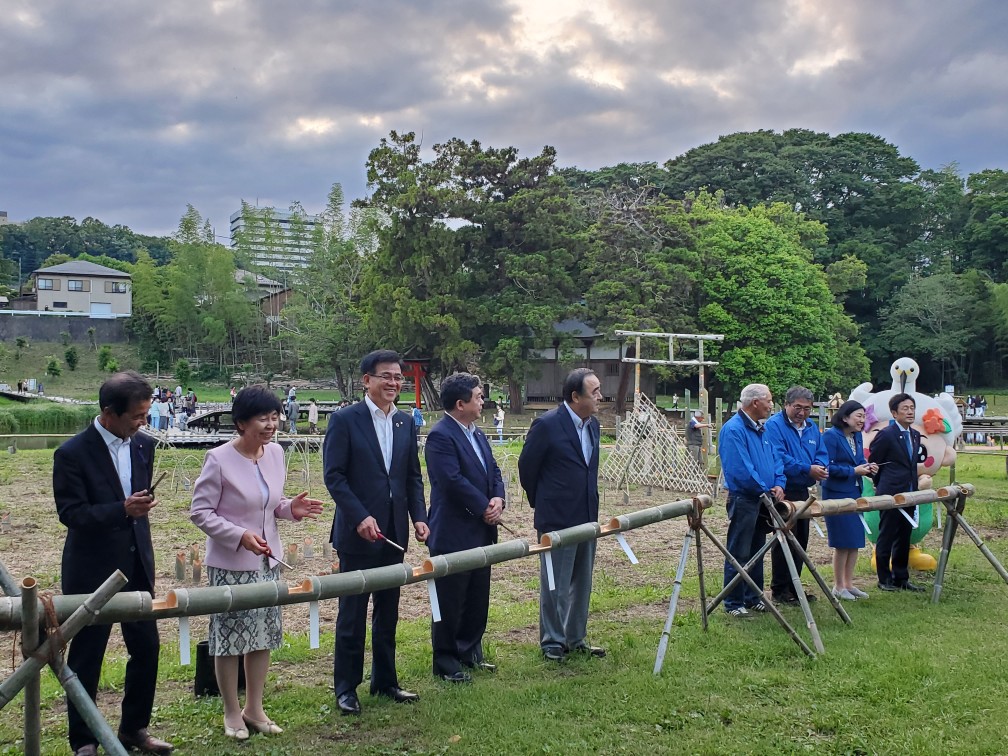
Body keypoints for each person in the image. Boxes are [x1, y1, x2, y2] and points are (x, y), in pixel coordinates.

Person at [190, 386, 323, 740]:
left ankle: (255, 708)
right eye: (262, 418)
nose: (271, 424)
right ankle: (232, 711)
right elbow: (200, 512)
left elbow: (271, 503)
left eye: (275, 416)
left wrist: (289, 509)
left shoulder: (276, 453)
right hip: (230, 564)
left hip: (268, 561)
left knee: (262, 635)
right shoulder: (218, 459)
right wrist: (238, 535)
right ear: (240, 423)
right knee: (230, 638)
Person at [53, 371, 174, 756]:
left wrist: (137, 508)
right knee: (88, 655)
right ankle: (84, 741)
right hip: (91, 567)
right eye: (137, 416)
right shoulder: (72, 453)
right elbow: (71, 513)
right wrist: (121, 509)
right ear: (109, 412)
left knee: (147, 648)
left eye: (146, 414)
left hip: (137, 562)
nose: (144, 422)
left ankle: (134, 729)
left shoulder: (144, 446)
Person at [323, 349, 430, 716]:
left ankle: (385, 681)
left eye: (399, 378)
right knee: (352, 613)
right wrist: (359, 517)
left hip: (394, 532)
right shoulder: (345, 420)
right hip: (358, 535)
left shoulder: (405, 422)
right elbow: (334, 476)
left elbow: (411, 476)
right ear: (366, 380)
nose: (393, 383)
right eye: (386, 376)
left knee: (388, 611)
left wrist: (419, 516)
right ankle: (346, 688)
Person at [518, 368, 605, 662]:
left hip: (587, 516)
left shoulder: (593, 426)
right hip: (556, 519)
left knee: (582, 582)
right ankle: (552, 642)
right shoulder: (547, 425)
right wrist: (543, 504)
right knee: (555, 583)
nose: (600, 397)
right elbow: (527, 468)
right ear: (575, 396)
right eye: (594, 392)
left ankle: (575, 637)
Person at [425, 373, 505, 682]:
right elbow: (451, 480)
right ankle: (446, 660)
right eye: (479, 396)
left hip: (482, 531)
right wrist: (484, 506)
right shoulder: (441, 436)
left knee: (476, 596)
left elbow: (494, 471)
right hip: (453, 531)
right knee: (450, 600)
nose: (483, 401)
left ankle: (471, 651)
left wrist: (498, 498)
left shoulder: (479, 434)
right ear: (460, 404)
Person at [718, 384, 785, 619]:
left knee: (758, 548)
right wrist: (764, 488)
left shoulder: (763, 430)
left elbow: (775, 460)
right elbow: (740, 469)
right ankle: (733, 601)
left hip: (764, 498)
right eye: (768, 400)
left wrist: (779, 483)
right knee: (740, 550)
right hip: (745, 498)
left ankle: (753, 596)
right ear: (755, 403)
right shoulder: (734, 430)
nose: (771, 405)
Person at [764, 386, 829, 605]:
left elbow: (822, 454)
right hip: (783, 490)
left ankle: (794, 586)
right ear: (786, 405)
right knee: (784, 540)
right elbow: (778, 457)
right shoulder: (774, 426)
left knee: (801, 540)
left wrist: (819, 467)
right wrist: (806, 468)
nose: (802, 413)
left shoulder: (811, 428)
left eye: (807, 409)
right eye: (797, 407)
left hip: (804, 491)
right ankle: (780, 589)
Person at [869, 392, 925, 592]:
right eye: (905, 409)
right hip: (890, 493)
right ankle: (884, 578)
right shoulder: (886, 434)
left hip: (910, 492)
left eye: (912, 408)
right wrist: (881, 484)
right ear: (894, 413)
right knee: (887, 534)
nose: (910, 412)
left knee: (904, 535)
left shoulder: (915, 434)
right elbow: (875, 462)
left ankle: (901, 577)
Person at [822, 400, 877, 600]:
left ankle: (849, 583)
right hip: (836, 493)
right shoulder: (831, 436)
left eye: (864, 416)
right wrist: (853, 471)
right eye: (858, 416)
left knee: (854, 540)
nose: (862, 420)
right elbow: (826, 467)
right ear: (845, 417)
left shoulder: (857, 436)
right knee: (841, 541)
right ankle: (838, 586)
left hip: (855, 492)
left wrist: (868, 467)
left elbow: (859, 460)